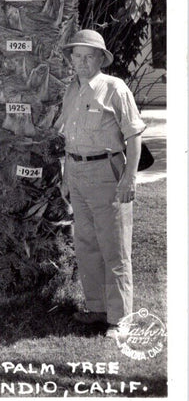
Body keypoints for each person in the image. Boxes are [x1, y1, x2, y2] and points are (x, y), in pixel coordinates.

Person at [57, 29, 146, 338]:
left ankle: (121, 318)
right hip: (78, 173)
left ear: (100, 59)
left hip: (107, 173)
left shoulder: (114, 88)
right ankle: (96, 307)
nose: (82, 62)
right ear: (71, 59)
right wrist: (67, 177)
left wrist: (128, 179)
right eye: (77, 56)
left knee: (114, 247)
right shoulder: (71, 90)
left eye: (89, 56)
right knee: (86, 244)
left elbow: (134, 138)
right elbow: (66, 136)